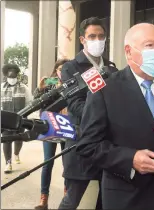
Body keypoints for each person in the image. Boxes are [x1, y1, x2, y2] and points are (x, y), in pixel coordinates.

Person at [75, 23, 154, 210]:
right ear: (129, 52)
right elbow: (88, 145)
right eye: (150, 45)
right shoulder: (105, 91)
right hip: (128, 198)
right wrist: (130, 158)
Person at [58, 17, 117, 210]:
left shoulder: (111, 68)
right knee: (72, 200)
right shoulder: (71, 67)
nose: (97, 40)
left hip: (107, 147)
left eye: (101, 36)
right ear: (83, 39)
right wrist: (105, 116)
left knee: (106, 200)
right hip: (80, 144)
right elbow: (74, 104)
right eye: (92, 36)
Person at [34, 59, 69, 210]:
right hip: (49, 127)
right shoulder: (48, 86)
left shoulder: (71, 84)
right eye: (59, 69)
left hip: (67, 127)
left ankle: (68, 197)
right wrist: (40, 89)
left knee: (67, 164)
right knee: (47, 162)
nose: (61, 71)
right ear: (55, 71)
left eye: (65, 68)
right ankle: (44, 198)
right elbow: (36, 103)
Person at [1, 64, 32, 173]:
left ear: (17, 77)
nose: (12, 79)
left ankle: (16, 153)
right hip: (5, 119)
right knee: (6, 140)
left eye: (14, 78)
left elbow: (29, 102)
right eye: (10, 77)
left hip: (20, 118)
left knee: (19, 138)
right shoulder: (1, 88)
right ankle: (8, 163)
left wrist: (26, 113)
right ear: (6, 77)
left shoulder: (24, 87)